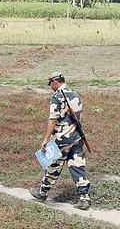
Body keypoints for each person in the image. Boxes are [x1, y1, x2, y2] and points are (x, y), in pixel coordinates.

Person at [29, 72, 91, 210]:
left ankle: (42, 193)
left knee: (52, 166)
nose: (51, 87)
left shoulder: (57, 96)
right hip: (77, 138)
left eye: (50, 84)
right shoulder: (75, 94)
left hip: (61, 140)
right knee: (78, 167)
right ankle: (84, 197)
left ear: (54, 82)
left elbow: (53, 119)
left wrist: (45, 140)